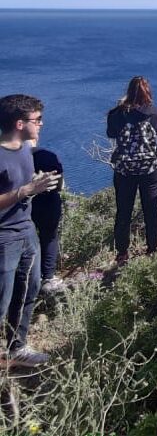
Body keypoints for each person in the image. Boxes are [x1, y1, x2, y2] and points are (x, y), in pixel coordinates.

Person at [0, 94, 60, 365]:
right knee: (2, 298)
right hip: (4, 238)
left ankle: (17, 347)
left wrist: (36, 185)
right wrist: (24, 190)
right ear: (19, 123)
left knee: (29, 289)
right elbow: (16, 191)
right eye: (37, 120)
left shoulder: (25, 150)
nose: (41, 124)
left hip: (26, 230)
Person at [107, 76, 157, 267]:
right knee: (152, 209)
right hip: (150, 169)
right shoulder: (154, 112)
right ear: (148, 92)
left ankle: (122, 254)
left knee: (124, 211)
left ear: (128, 92)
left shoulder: (116, 114)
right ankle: (153, 249)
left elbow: (111, 133)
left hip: (125, 170)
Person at [30, 122, 66, 295]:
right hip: (48, 203)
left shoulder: (10, 158)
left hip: (25, 206)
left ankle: (31, 277)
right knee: (49, 238)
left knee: (30, 242)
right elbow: (59, 185)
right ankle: (48, 277)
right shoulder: (49, 157)